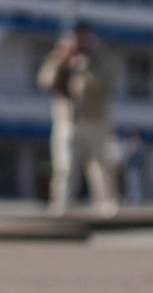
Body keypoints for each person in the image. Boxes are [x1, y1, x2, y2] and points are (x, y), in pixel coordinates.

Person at [38, 23, 120, 215]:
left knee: (99, 165)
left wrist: (82, 63)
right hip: (67, 119)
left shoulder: (99, 56)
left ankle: (107, 205)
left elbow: (101, 83)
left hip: (94, 119)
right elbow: (45, 80)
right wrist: (61, 59)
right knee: (64, 164)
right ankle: (61, 204)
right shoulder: (60, 57)